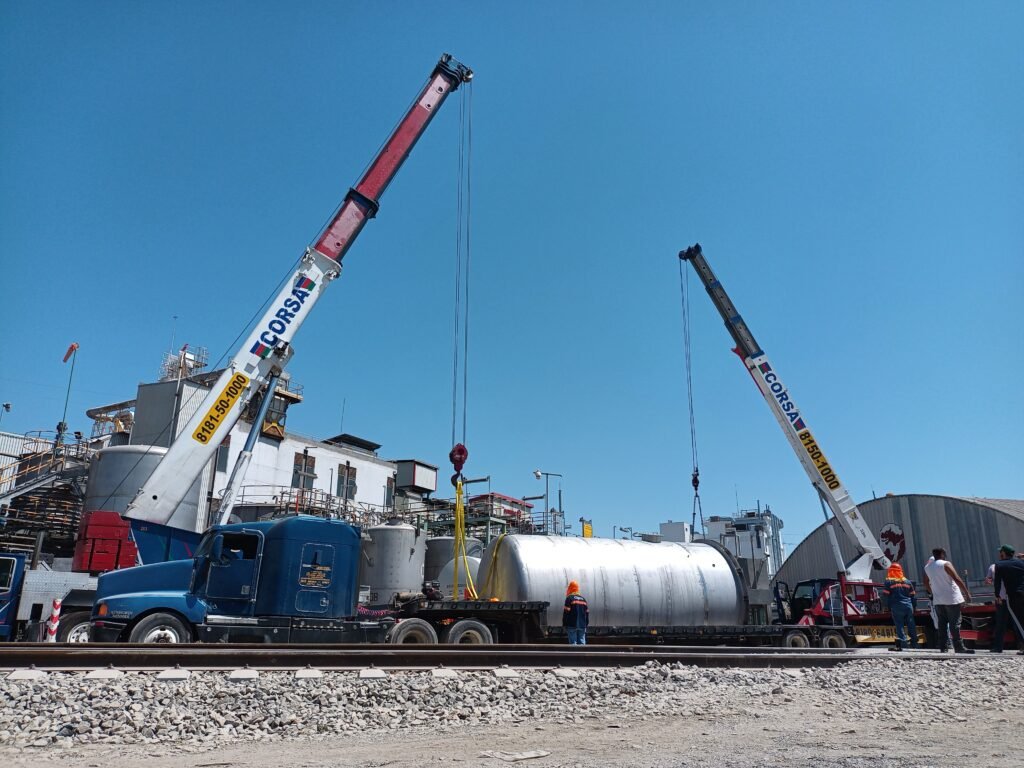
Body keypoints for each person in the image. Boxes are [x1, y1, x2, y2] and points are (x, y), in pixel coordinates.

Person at [923, 548, 974, 654]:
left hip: (938, 600)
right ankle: (958, 646)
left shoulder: (928, 567)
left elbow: (925, 582)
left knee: (942, 623)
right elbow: (957, 578)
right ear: (942, 554)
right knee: (955, 623)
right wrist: (966, 592)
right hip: (952, 598)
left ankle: (943, 646)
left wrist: (932, 592)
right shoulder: (946, 564)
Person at [992, 544, 1024, 655]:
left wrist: (997, 596)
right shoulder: (1021, 562)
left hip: (1014, 595)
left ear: (1003, 553)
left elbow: (997, 582)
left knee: (1018, 621)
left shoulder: (999, 565)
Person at [882, 563, 918, 650]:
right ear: (901, 571)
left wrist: (886, 607)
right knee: (911, 624)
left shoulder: (888, 582)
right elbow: (913, 596)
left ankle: (904, 643)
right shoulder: (907, 582)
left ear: (890, 571)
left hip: (896, 606)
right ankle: (914, 643)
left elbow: (885, 596)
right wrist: (914, 607)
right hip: (908, 606)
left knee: (899, 625)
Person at [985, 556, 1010, 653]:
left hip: (1000, 598)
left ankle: (998, 647)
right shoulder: (1015, 564)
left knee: (1000, 624)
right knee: (1018, 622)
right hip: (1013, 598)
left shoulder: (994, 566)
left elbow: (988, 580)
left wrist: (989, 581)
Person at [563, 580, 589, 645]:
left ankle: (574, 655)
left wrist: (564, 624)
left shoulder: (569, 598)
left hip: (572, 624)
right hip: (582, 624)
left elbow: (566, 613)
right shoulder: (583, 599)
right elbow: (587, 613)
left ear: (570, 588)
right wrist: (586, 624)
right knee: (582, 643)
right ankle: (582, 655)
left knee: (573, 644)